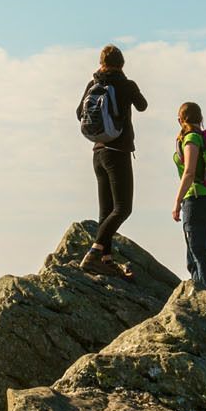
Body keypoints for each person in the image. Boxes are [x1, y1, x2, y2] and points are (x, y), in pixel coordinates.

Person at [77, 44, 148, 276]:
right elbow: (142, 106)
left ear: (101, 62)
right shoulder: (126, 84)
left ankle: (106, 260)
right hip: (118, 152)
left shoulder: (93, 85)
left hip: (98, 153)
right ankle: (95, 253)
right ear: (122, 63)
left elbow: (79, 113)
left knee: (106, 210)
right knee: (123, 208)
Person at [171, 101, 206, 293]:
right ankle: (201, 297)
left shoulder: (191, 138)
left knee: (199, 254)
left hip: (197, 200)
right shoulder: (204, 138)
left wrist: (177, 201)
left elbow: (189, 172)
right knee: (196, 255)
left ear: (180, 119)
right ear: (200, 119)